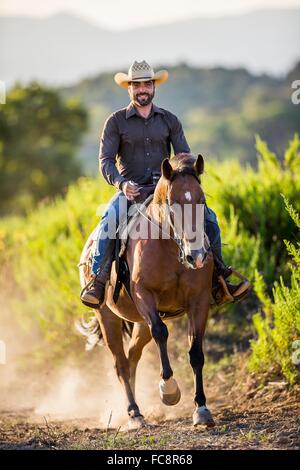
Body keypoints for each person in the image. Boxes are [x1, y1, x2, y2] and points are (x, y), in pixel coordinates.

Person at [80, 60, 251, 308]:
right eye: (137, 85)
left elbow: (184, 158)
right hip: (132, 192)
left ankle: (220, 277)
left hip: (167, 192)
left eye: (147, 84)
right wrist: (121, 184)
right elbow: (105, 161)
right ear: (129, 88)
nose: (142, 89)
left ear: (153, 87)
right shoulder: (115, 122)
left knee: (210, 218)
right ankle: (99, 279)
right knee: (109, 220)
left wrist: (186, 179)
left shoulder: (170, 120)